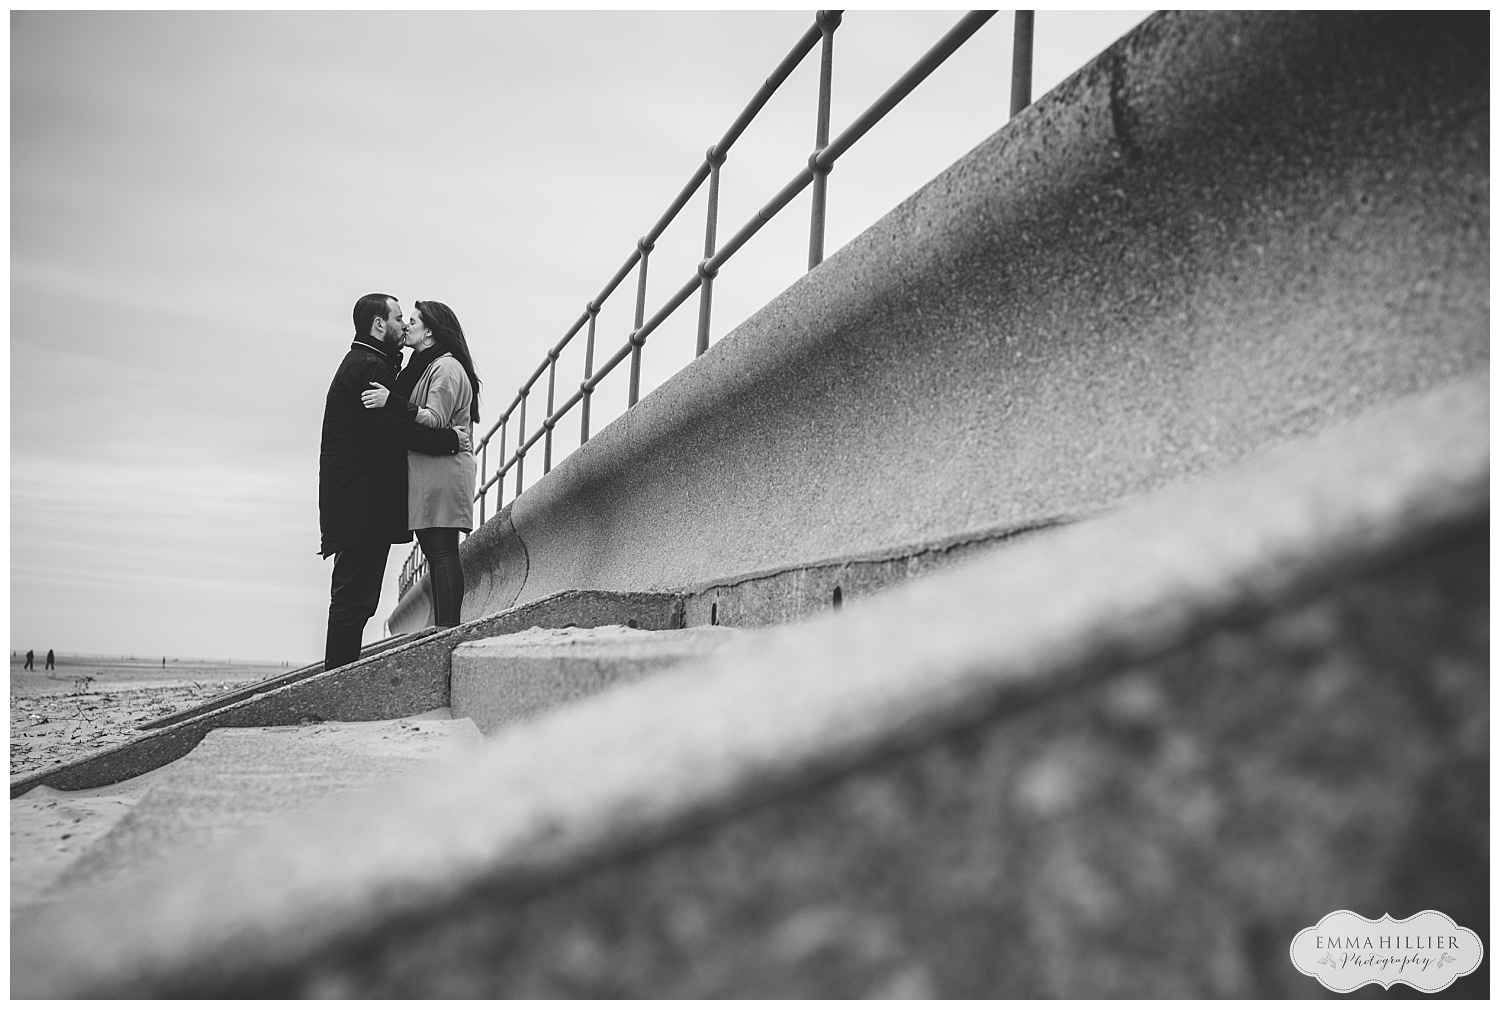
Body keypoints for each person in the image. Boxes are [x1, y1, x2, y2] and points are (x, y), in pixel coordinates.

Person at [320, 293, 469, 671]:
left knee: (357, 598)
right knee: (355, 599)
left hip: (360, 500)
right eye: (400, 318)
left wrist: (439, 431)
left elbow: (409, 419)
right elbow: (391, 430)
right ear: (379, 325)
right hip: (362, 502)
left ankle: (339, 674)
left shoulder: (378, 363)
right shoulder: (371, 365)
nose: (405, 325)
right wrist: (449, 439)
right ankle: (337, 678)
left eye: (411, 320)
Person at [361, 300, 480, 629]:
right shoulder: (426, 366)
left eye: (412, 321)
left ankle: (447, 628)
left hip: (443, 470)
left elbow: (436, 419)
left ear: (429, 331)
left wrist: (391, 401)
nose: (406, 326)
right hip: (431, 470)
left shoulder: (445, 368)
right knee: (435, 549)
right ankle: (444, 627)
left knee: (442, 550)